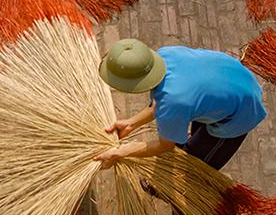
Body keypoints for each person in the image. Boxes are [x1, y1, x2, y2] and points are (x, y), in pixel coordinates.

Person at [94, 39, 266, 170]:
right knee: (194, 121)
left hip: (242, 112)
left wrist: (120, 152)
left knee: (198, 160)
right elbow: (163, 101)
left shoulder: (173, 103)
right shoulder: (165, 54)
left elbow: (165, 146)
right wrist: (131, 123)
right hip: (235, 80)